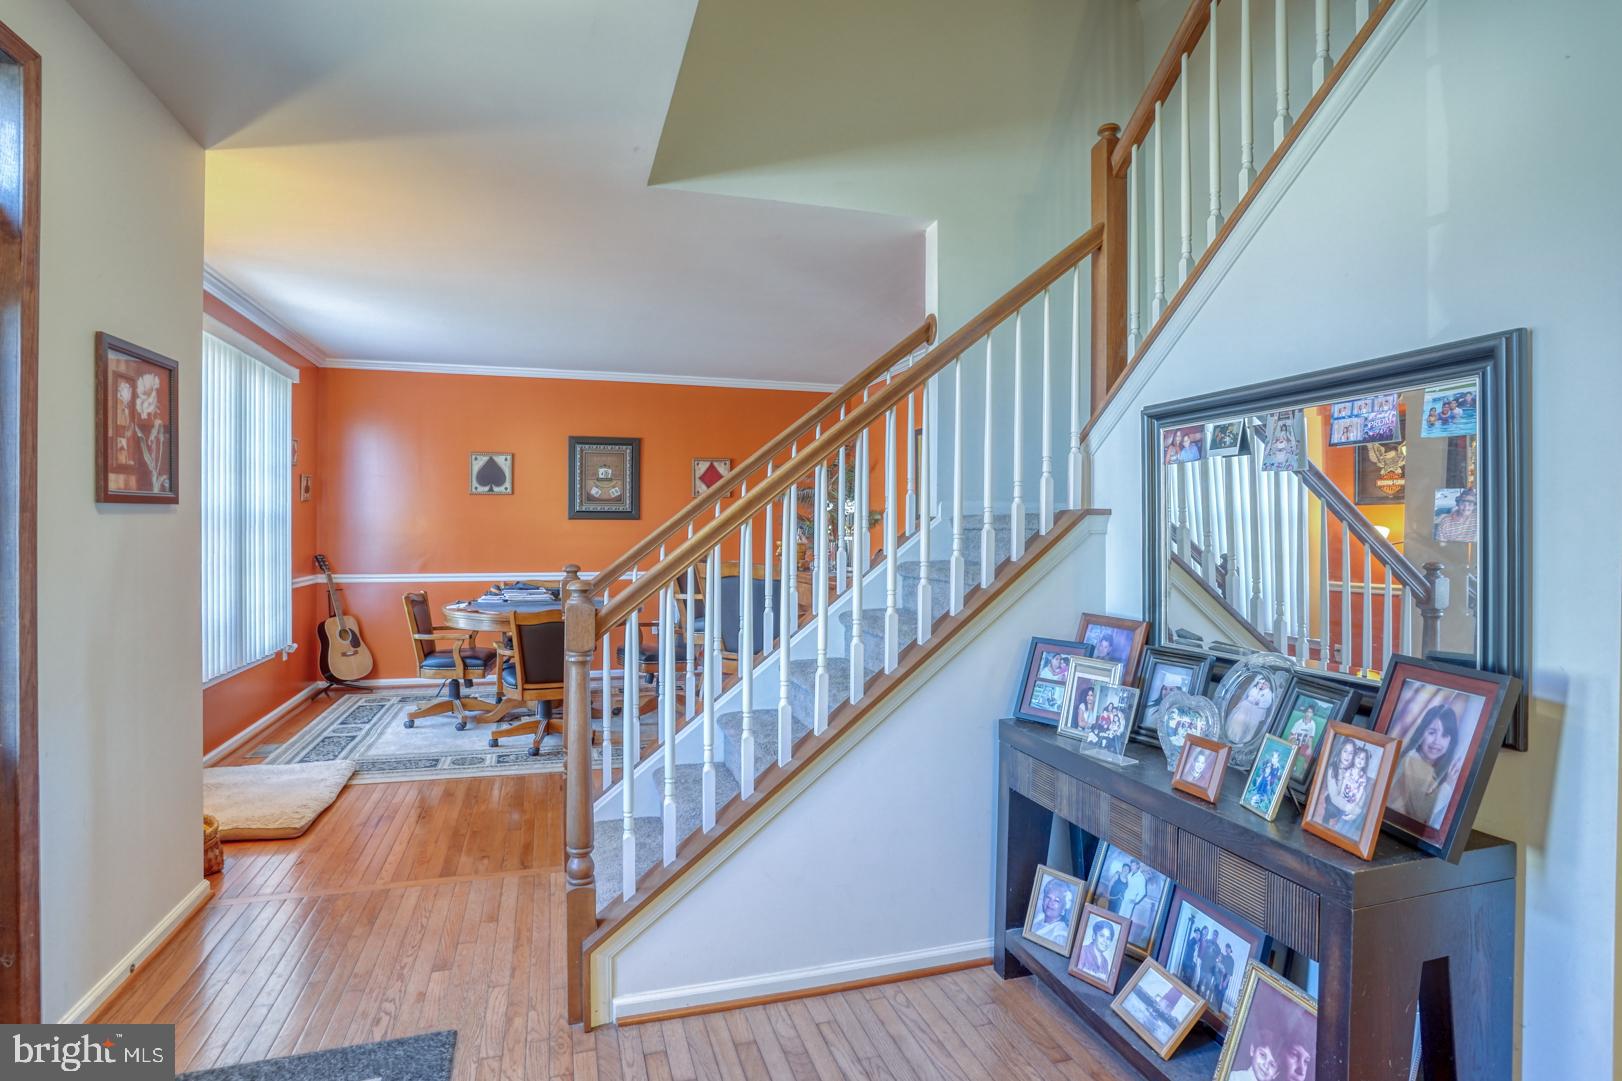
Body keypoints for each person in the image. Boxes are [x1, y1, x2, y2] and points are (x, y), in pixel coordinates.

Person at [1389, 703, 1463, 828]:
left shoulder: (1431, 765)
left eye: (1444, 735)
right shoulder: (1413, 760)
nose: (1437, 741)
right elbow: (1421, 814)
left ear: (1451, 740)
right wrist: (1448, 786)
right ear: (1421, 733)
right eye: (1432, 732)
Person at [1226, 674, 1274, 744]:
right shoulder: (1255, 689)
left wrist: (1259, 703)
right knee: (1239, 721)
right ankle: (1234, 736)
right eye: (1262, 684)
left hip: (1257, 711)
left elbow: (1267, 703)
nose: (1262, 685)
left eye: (1264, 684)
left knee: (1252, 726)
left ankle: (1245, 740)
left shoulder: (1269, 693)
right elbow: (1250, 695)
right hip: (1247, 707)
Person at [1030, 879, 1073, 943]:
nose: (1050, 902)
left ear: (1064, 908)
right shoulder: (1037, 919)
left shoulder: (1060, 935)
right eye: (1048, 897)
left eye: (1056, 901)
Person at [1122, 861, 1150, 940]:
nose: (1132, 867)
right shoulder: (1130, 874)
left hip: (1131, 900)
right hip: (1124, 898)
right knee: (1119, 914)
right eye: (1131, 865)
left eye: (1133, 865)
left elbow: (1143, 892)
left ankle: (1122, 935)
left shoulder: (1141, 878)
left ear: (1138, 866)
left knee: (1125, 918)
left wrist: (1135, 901)